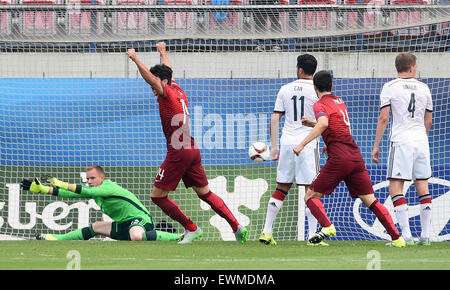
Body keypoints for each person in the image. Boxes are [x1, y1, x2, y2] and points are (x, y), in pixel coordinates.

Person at [126, 42, 247, 245]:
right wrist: (163, 53)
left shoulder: (167, 94)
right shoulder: (177, 88)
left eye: (154, 86)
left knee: (157, 197)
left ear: (161, 82)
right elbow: (168, 73)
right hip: (192, 149)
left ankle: (191, 228)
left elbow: (152, 79)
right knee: (205, 193)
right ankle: (236, 226)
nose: (153, 90)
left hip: (178, 152)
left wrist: (135, 58)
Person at [293, 70, 405, 247]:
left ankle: (327, 226)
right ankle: (397, 239)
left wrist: (301, 144)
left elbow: (324, 123)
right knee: (370, 200)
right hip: (354, 156)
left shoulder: (319, 104)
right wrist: (323, 137)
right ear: (332, 86)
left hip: (339, 158)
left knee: (310, 196)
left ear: (314, 87)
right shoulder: (340, 102)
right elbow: (337, 126)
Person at [259, 54, 324, 246]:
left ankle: (266, 231)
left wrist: (274, 147)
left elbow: (274, 119)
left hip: (287, 143)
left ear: (299, 69)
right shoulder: (317, 92)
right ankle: (312, 236)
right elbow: (323, 122)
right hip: (308, 143)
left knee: (281, 188)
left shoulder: (285, 89)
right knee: (311, 191)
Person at [20, 165, 180, 242]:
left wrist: (61, 183)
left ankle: (177, 237)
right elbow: (71, 194)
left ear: (102, 178)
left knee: (136, 236)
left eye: (93, 178)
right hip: (124, 224)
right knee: (96, 226)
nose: (89, 182)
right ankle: (57, 239)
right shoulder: (96, 191)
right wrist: (43, 190)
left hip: (140, 220)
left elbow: (88, 192)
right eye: (88, 179)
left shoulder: (108, 186)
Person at [371, 53, 433, 246]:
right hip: (421, 140)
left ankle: (405, 235)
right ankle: (426, 236)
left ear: (397, 67)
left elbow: (383, 118)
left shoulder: (390, 87)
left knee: (396, 187)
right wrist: (421, 136)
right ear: (412, 67)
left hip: (401, 141)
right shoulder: (424, 88)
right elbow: (428, 120)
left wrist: (376, 145)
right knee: (422, 185)